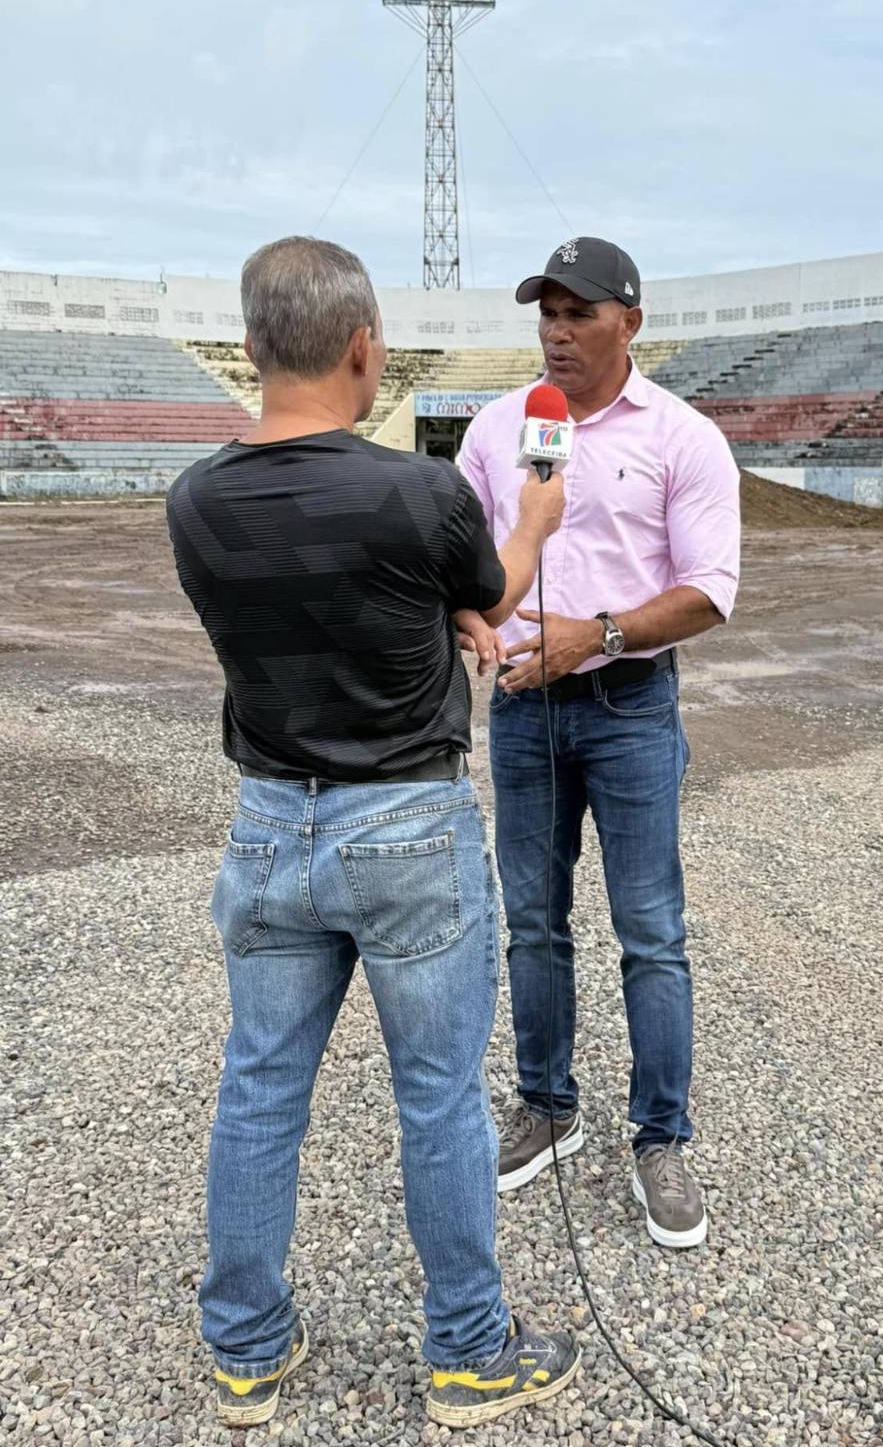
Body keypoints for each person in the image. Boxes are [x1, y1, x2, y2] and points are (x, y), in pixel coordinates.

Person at [165, 236, 579, 1432]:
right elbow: (493, 593)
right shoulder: (418, 491)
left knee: (258, 1092)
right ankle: (468, 1353)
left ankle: (243, 1350)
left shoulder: (194, 502)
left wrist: (433, 604)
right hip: (404, 823)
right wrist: (537, 523)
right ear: (364, 349)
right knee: (440, 1098)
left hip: (266, 823)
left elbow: (330, 588)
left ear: (251, 350)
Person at [456, 236, 740, 1249]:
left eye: (580, 314)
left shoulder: (683, 437)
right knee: (530, 920)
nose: (559, 332)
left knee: (651, 930)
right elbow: (471, 562)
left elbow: (711, 590)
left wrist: (601, 633)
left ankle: (661, 1138)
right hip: (525, 707)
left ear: (630, 321)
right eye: (547, 313)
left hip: (629, 707)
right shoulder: (497, 430)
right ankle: (547, 1103)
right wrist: (472, 618)